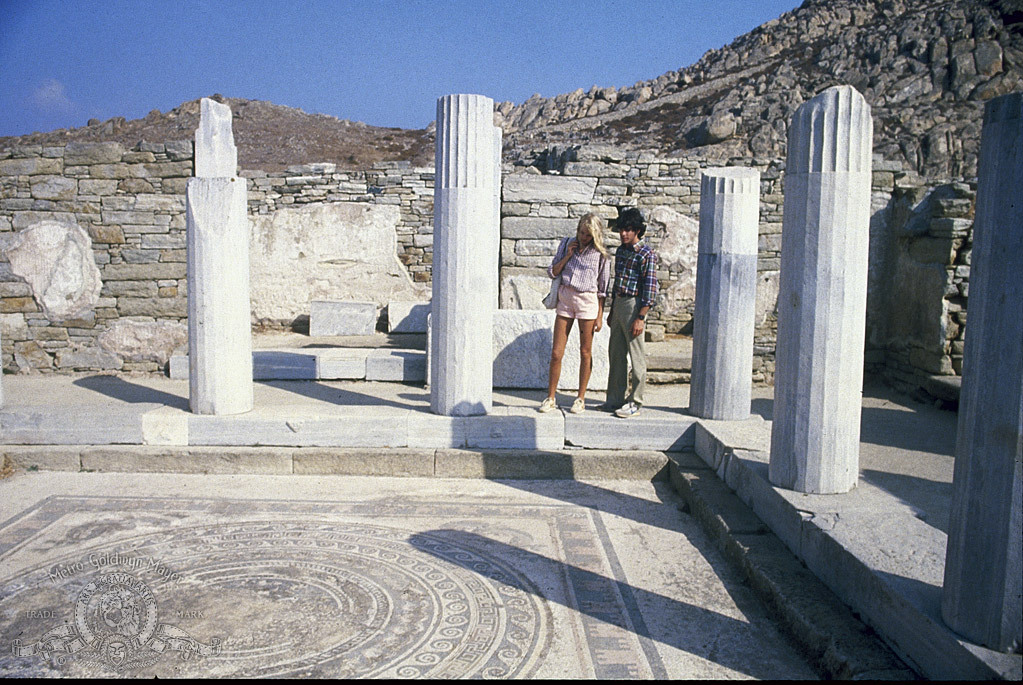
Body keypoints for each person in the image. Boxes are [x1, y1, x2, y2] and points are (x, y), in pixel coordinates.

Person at [538, 213, 610, 414]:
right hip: (566, 297)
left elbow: (603, 288)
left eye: (587, 235)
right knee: (556, 352)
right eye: (580, 233)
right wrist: (568, 255)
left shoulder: (601, 254)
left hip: (588, 300)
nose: (583, 238)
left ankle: (580, 397)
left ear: (595, 235)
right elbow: (552, 272)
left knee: (585, 351)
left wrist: (599, 315)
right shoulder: (567, 244)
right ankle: (550, 397)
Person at [605, 207, 658, 418]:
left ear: (637, 231)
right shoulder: (621, 251)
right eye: (621, 230)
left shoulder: (646, 254)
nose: (623, 234)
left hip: (635, 305)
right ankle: (615, 399)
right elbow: (617, 281)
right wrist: (611, 311)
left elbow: (650, 287)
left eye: (628, 230)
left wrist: (641, 317)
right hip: (619, 303)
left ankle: (635, 400)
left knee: (636, 355)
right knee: (616, 354)